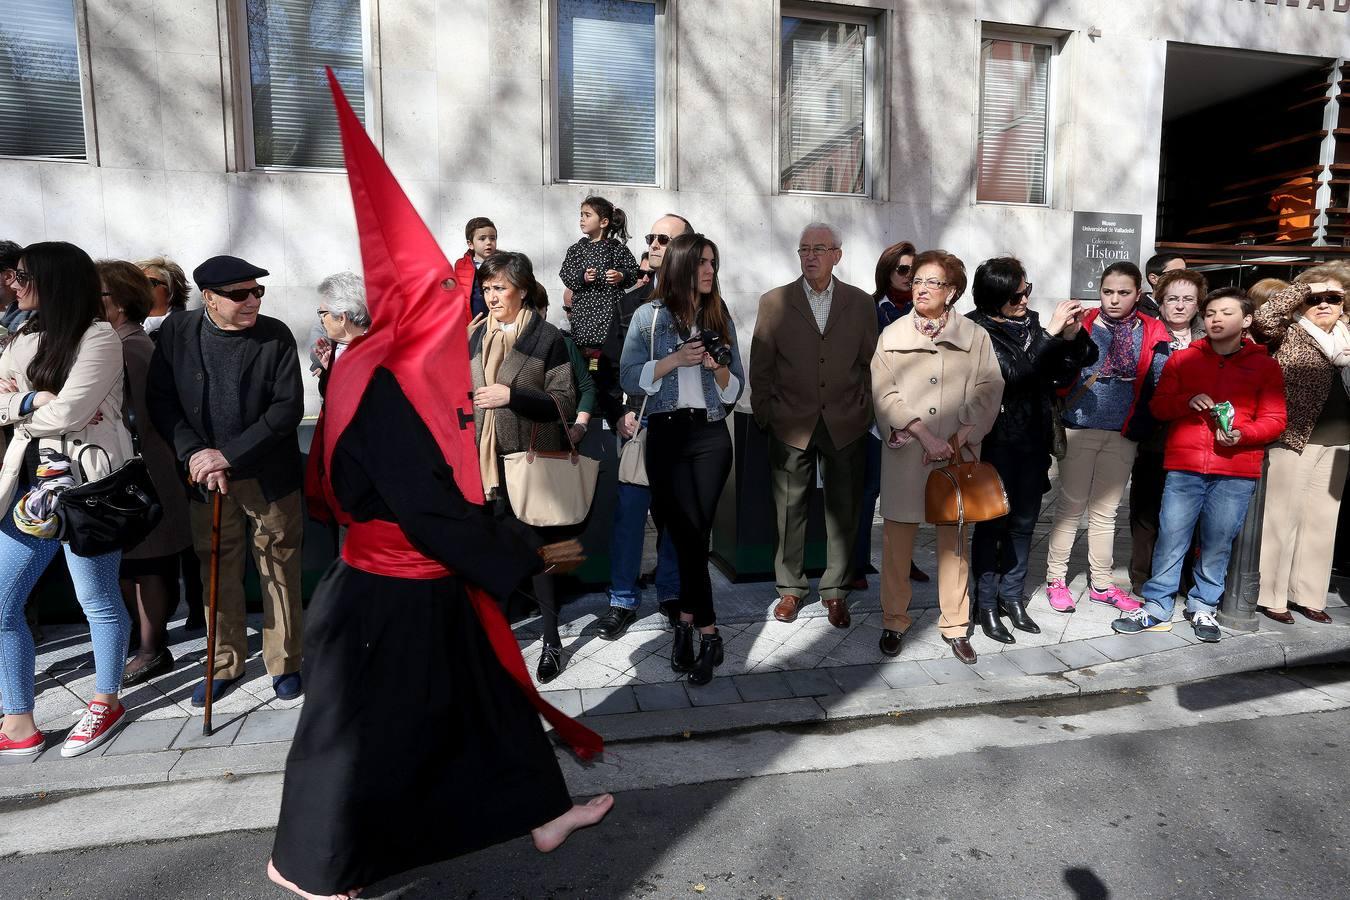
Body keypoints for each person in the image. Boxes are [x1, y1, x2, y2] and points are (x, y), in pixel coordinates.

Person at [269, 84, 609, 896]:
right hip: (389, 590)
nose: (455, 309)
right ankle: (313, 866)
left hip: (415, 579)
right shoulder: (380, 386)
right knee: (354, 735)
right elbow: (421, 505)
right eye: (442, 299)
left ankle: (541, 812)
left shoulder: (361, 367)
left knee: (491, 694)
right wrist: (516, 551)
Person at [147, 255, 305, 706]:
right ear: (209, 298)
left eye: (257, 291)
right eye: (240, 294)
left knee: (278, 566)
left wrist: (227, 455)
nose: (252, 300)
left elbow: (285, 409)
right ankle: (222, 663)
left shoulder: (274, 334)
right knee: (216, 567)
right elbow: (162, 401)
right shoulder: (178, 333)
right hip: (205, 478)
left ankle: (286, 663)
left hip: (267, 476)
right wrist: (196, 454)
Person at [0, 242, 132, 758]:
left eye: (24, 274)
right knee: (3, 605)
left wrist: (18, 411)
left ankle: (106, 700)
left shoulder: (99, 337)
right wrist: (32, 400)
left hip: (86, 490)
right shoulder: (23, 337)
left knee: (96, 599)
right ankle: (18, 721)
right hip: (27, 489)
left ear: (53, 280)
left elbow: (72, 414)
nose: (14, 282)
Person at [1112, 287, 1286, 643]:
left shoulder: (1264, 365)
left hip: (1236, 468)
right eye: (1210, 314)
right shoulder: (1183, 359)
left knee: (1217, 542)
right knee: (1171, 537)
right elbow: (1159, 407)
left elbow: (1276, 419)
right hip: (1185, 465)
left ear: (1247, 320)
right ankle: (1158, 605)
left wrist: (1244, 433)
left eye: (1226, 312)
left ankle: (1203, 605)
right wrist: (1185, 401)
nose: (1216, 319)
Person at [620, 233, 744, 685]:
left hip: (711, 435)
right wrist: (674, 360)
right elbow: (629, 376)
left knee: (695, 533)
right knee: (688, 534)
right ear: (681, 267)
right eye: (702, 263)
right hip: (667, 436)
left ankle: (692, 629)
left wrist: (719, 368)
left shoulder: (719, 314)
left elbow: (735, 390)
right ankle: (702, 630)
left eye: (713, 262)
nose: (710, 271)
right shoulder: (646, 318)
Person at [870, 250, 1003, 664]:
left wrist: (962, 433)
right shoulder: (891, 336)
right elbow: (883, 392)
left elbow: (989, 387)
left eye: (933, 282)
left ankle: (956, 625)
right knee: (896, 543)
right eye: (917, 282)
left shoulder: (975, 337)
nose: (921, 289)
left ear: (953, 291)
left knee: (955, 543)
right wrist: (924, 435)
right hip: (909, 450)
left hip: (956, 454)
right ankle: (894, 620)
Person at [751, 223, 877, 629]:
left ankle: (835, 591)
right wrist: (766, 413)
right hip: (791, 423)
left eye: (819, 249)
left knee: (844, 510)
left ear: (837, 255)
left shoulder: (859, 303)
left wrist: (866, 411)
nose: (810, 256)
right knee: (789, 510)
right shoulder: (774, 302)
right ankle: (790, 589)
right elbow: (762, 366)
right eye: (804, 249)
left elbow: (870, 364)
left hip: (846, 422)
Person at [967, 259, 1095, 643]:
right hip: (996, 442)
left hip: (1034, 438)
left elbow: (1064, 372)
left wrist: (1071, 338)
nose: (1025, 299)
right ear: (995, 297)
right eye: (1016, 295)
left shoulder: (1034, 324)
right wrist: (1051, 334)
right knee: (992, 525)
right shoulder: (976, 328)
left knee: (1024, 524)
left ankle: (1012, 597)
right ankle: (985, 604)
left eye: (1027, 290)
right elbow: (1012, 375)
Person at [469, 251, 579, 683]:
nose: (492, 296)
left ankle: (552, 641)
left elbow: (564, 402)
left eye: (500, 288)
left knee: (540, 554)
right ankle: (495, 637)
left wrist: (510, 396)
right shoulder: (475, 333)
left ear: (524, 290)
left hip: (530, 462)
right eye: (487, 288)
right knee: (491, 553)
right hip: (484, 462)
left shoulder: (547, 336)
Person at [1043, 261, 1169, 614]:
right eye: (1108, 291)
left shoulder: (1151, 329)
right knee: (1070, 507)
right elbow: (1053, 370)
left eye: (1124, 293)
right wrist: (1065, 337)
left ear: (1138, 295)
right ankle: (1056, 578)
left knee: (1106, 512)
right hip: (1079, 425)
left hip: (1124, 430)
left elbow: (1159, 380)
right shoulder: (1082, 323)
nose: (1114, 299)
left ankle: (1101, 583)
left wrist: (1144, 422)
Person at [593, 214, 690, 640]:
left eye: (663, 239)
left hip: (686, 431)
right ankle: (622, 599)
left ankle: (669, 593)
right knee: (630, 516)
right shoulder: (628, 303)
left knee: (675, 518)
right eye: (650, 237)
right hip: (640, 426)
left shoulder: (703, 306)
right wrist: (617, 412)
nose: (651, 244)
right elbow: (605, 369)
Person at [97, 260, 193, 687]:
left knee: (150, 564)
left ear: (118, 303)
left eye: (98, 295)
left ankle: (153, 650)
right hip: (133, 472)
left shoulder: (129, 346)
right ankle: (142, 643)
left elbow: (137, 415)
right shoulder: (117, 341)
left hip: (144, 473)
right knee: (131, 565)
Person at [1251, 266, 1350, 625]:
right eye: (1315, 299)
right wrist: (1305, 286)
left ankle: (1308, 595)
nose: (1324, 304)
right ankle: (1272, 595)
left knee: (1323, 522)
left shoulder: (1347, 336)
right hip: (1294, 437)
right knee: (1282, 518)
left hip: (1340, 441)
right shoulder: (1287, 333)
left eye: (1333, 298)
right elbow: (1264, 316)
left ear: (1344, 305)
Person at [853, 240, 929, 589]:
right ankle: (857, 563)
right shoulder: (867, 309)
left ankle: (904, 560)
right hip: (873, 416)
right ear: (887, 271)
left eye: (914, 271)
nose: (909, 277)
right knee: (867, 490)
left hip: (915, 417)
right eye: (902, 269)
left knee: (907, 495)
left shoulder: (927, 313)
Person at [1127, 268, 1208, 594]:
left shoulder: (1210, 337)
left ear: (1198, 303)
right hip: (1154, 437)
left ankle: (1185, 579)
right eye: (1172, 299)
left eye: (1188, 299)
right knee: (1147, 513)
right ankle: (1142, 578)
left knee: (1190, 516)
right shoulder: (1147, 335)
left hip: (1195, 439)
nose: (1179, 306)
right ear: (1159, 302)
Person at [138, 255, 203, 632]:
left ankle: (198, 607)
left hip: (180, 444)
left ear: (170, 289)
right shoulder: (118, 329)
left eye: (150, 281)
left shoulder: (185, 326)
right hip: (141, 450)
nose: (142, 288)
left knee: (192, 535)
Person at [559, 196, 640, 354]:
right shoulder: (577, 249)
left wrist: (621, 275)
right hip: (583, 317)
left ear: (604, 222)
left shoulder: (616, 248)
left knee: (607, 365)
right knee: (584, 363)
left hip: (610, 317)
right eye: (581, 215)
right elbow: (565, 273)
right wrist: (582, 277)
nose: (582, 219)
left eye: (587, 215)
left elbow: (634, 271)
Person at [313, 271, 370, 397]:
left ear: (341, 318)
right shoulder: (335, 348)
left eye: (322, 313)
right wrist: (330, 371)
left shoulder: (374, 353)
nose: (321, 319)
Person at [453, 216, 496, 320]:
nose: (488, 242)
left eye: (492, 238)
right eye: (482, 238)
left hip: (498, 324)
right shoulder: (461, 266)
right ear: (470, 244)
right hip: (472, 323)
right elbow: (456, 299)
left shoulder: (504, 264)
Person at [136, 256, 191, 337]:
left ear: (171, 288)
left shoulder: (186, 328)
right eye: (136, 282)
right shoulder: (121, 322)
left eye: (148, 282)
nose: (139, 287)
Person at [0, 240, 34, 355]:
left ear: (8, 276)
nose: (16, 286)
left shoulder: (32, 308)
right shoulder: (14, 305)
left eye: (23, 276)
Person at [1141, 252, 1187, 318]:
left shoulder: (1190, 308)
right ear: (1154, 279)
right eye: (1176, 273)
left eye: (1186, 273)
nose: (1184, 278)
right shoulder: (1137, 312)